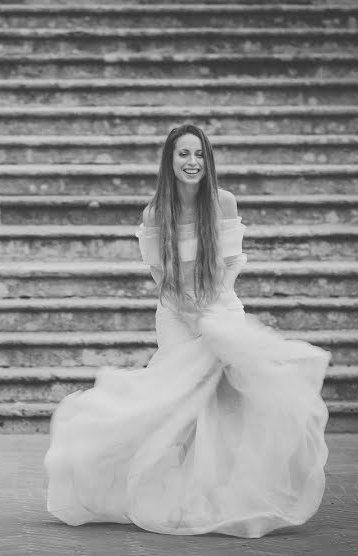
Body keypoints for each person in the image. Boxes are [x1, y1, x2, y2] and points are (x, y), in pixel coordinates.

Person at [43, 125, 331, 539]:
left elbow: (229, 265)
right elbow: (162, 277)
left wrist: (212, 315)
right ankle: (170, 494)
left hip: (220, 303)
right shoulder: (155, 212)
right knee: (181, 403)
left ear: (207, 159)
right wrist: (192, 316)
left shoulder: (224, 203)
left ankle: (226, 493)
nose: (192, 161)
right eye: (183, 154)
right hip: (177, 312)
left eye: (198, 154)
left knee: (233, 396)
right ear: (170, 160)